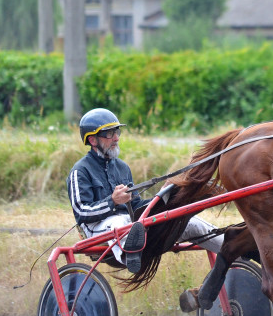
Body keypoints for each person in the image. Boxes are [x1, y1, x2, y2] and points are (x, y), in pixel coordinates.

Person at [67, 108, 224, 273]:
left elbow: (136, 206)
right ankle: (133, 259)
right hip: (98, 230)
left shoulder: (122, 168)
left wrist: (163, 197)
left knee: (191, 224)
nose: (116, 138)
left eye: (117, 132)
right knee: (121, 225)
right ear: (92, 140)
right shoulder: (80, 171)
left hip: (131, 226)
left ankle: (236, 251)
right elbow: (81, 212)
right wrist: (112, 201)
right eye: (109, 134)